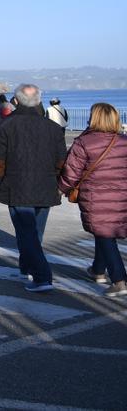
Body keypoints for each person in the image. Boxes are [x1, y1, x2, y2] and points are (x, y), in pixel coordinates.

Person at [0, 84, 68, 292]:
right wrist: (59, 183)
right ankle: (26, 266)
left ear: (16, 100)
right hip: (46, 185)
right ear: (39, 101)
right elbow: (62, 160)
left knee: (27, 233)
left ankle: (42, 276)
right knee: (35, 233)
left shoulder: (6, 126)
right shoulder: (52, 128)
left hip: (17, 186)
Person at [58, 103, 127, 297]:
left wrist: (60, 189)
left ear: (93, 118)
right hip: (122, 197)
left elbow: (71, 173)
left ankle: (120, 280)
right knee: (104, 231)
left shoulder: (84, 142)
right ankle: (97, 270)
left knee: (104, 233)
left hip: (95, 197)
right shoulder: (123, 141)